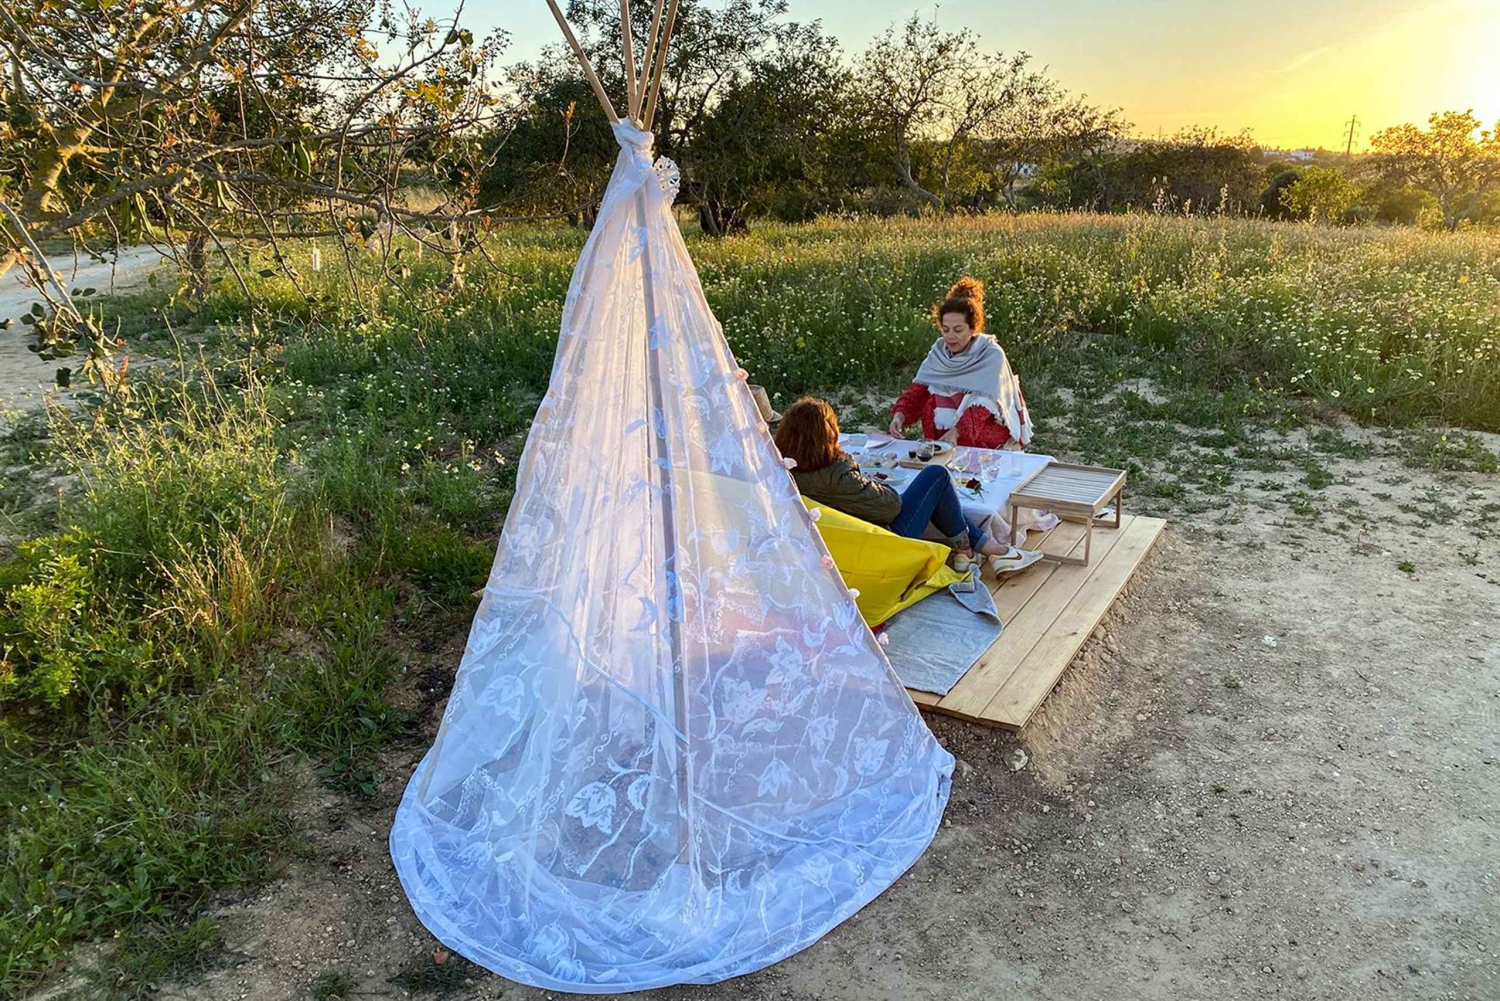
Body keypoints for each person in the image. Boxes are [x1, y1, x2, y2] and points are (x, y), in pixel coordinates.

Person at [776, 397, 1041, 574]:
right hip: (883, 542)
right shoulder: (837, 474)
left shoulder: (780, 470)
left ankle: (976, 549)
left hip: (833, 543)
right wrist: (851, 467)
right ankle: (978, 550)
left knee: (933, 491)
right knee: (935, 476)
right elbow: (891, 507)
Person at [888, 277, 1033, 450]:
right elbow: (918, 391)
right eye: (945, 329)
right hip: (943, 434)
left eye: (958, 330)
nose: (950, 336)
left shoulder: (991, 354)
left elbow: (984, 404)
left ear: (973, 329)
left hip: (982, 433)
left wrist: (957, 431)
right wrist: (900, 415)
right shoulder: (939, 352)